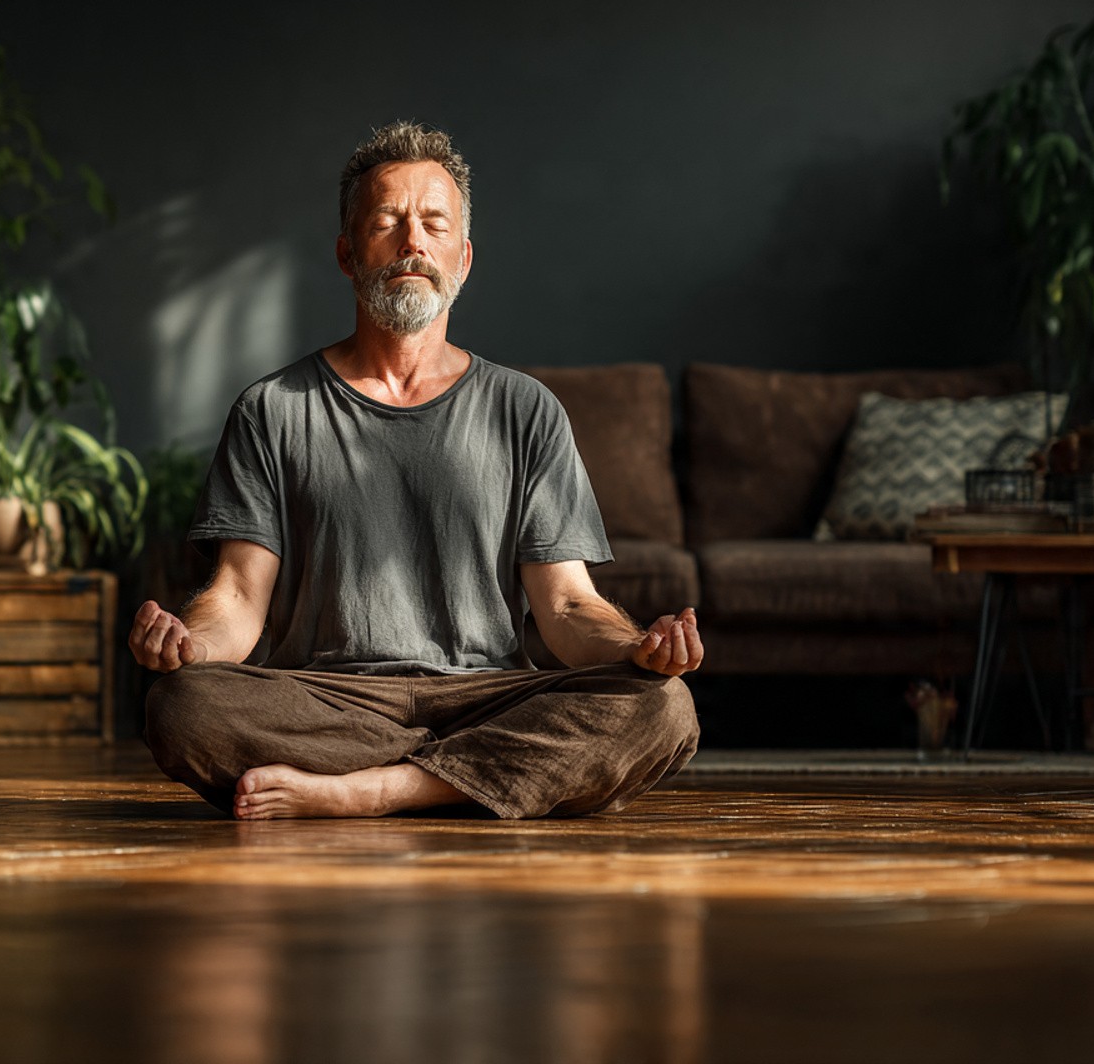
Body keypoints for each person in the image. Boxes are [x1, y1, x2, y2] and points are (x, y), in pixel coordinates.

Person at [130, 121, 702, 820]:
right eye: (387, 222)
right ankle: (479, 781)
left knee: (663, 706)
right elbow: (239, 600)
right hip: (326, 699)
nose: (413, 243)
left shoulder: (526, 410)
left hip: (484, 695)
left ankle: (375, 791)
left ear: (462, 258)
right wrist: (192, 644)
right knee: (182, 704)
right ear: (347, 253)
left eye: (434, 225)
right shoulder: (272, 410)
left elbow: (566, 607)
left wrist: (639, 647)